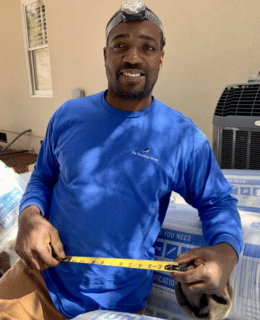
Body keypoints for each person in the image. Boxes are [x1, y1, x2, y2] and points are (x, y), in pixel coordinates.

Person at [0, 0, 243, 319]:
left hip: (117, 303)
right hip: (40, 281)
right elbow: (43, 178)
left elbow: (218, 203)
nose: (132, 56)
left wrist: (225, 253)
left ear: (161, 58)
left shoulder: (182, 138)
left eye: (147, 47)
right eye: (121, 44)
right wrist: (30, 216)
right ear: (105, 55)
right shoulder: (68, 116)